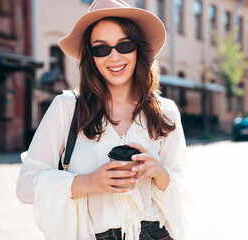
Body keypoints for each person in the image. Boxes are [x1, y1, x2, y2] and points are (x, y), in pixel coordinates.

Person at [16, 0, 188, 240]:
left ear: (139, 49)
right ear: (91, 57)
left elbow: (182, 188)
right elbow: (26, 187)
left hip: (155, 233)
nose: (114, 57)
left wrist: (159, 172)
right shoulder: (66, 108)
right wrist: (87, 182)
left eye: (124, 45)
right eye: (101, 48)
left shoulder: (165, 112)